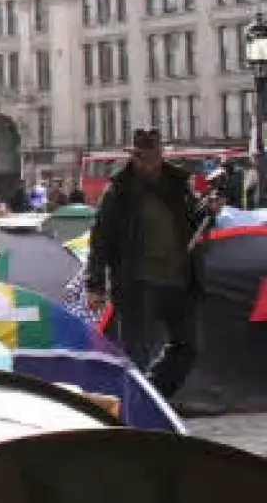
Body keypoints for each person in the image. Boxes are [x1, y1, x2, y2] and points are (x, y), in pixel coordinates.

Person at [86, 128, 223, 399]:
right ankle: (135, 406)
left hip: (180, 279)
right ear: (133, 157)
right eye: (140, 157)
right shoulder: (119, 191)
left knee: (188, 348)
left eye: (151, 157)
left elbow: (194, 226)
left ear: (160, 156)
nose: (146, 164)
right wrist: (96, 285)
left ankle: (152, 397)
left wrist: (210, 212)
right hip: (137, 282)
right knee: (137, 355)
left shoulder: (179, 185)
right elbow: (100, 239)